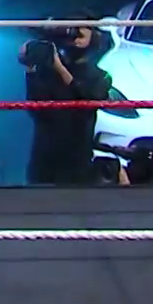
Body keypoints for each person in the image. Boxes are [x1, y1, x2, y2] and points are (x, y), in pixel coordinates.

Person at [21, 15, 113, 185]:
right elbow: (35, 109)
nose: (75, 34)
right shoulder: (48, 73)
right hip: (44, 160)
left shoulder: (100, 77)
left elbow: (86, 99)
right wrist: (30, 69)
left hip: (76, 162)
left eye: (82, 28)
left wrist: (60, 68)